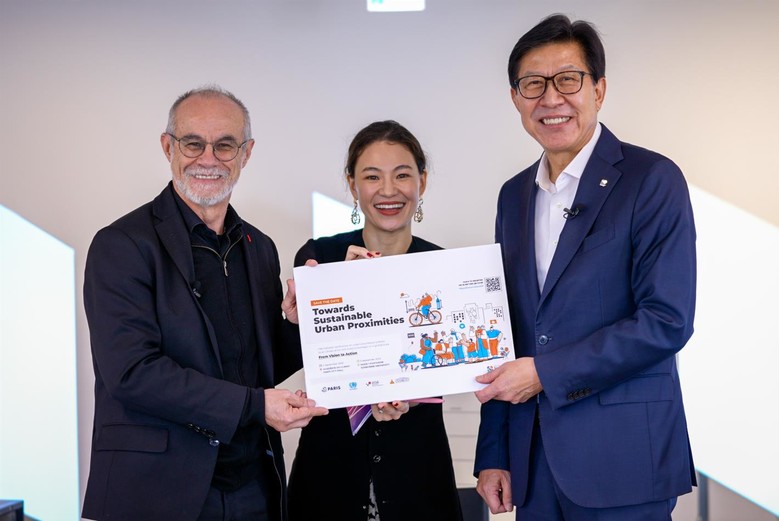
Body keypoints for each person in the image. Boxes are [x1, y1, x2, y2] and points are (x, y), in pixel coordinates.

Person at [474, 14, 697, 520]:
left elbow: (666, 320)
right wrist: (493, 454)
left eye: (568, 80)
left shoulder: (651, 179)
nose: (551, 98)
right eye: (533, 84)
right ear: (515, 99)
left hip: (624, 457)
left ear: (598, 89)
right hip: (533, 461)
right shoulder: (513, 196)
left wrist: (544, 373)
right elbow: (501, 329)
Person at [82, 86, 328, 521]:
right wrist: (256, 406)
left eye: (225, 145)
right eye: (193, 143)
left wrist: (295, 324)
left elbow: (258, 371)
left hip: (253, 487)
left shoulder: (259, 247)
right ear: (168, 147)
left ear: (246, 153)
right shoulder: (120, 245)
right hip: (155, 493)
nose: (208, 159)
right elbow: (132, 373)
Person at [287, 120, 462, 521]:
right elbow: (313, 356)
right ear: (353, 185)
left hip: (418, 475)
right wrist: (341, 289)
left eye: (402, 175)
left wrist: (412, 394)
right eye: (371, 177)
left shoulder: (443, 267)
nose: (388, 190)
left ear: (422, 181)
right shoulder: (319, 259)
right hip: (328, 474)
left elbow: (449, 362)